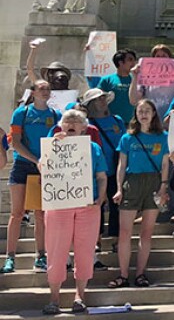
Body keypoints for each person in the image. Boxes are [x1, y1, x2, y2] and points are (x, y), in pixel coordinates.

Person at [41, 109, 108, 315]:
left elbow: (102, 176)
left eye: (76, 120)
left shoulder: (94, 148)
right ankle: (54, 298)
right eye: (67, 120)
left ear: (84, 128)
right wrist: (54, 145)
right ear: (61, 126)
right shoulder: (52, 144)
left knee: (85, 252)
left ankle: (80, 296)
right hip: (59, 205)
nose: (71, 123)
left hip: (87, 206)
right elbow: (42, 167)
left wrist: (101, 198)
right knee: (56, 251)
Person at [108, 99, 170, 288]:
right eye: (140, 111)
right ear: (135, 114)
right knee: (125, 232)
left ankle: (141, 273)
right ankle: (124, 274)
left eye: (147, 111)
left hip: (154, 182)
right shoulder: (127, 138)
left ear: (153, 114)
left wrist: (163, 186)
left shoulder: (163, 136)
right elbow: (122, 165)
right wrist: (119, 188)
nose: (143, 114)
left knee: (147, 232)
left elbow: (166, 163)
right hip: (132, 182)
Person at [2, 80, 59, 274]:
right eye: (41, 88)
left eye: (48, 89)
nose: (45, 91)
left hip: (45, 168)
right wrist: (36, 159)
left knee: (41, 214)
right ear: (33, 92)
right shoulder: (22, 113)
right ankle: (10, 258)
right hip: (23, 165)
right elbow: (15, 142)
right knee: (17, 213)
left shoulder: (55, 115)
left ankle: (40, 256)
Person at [81, 88, 126, 264]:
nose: (102, 102)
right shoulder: (86, 124)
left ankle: (115, 238)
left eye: (103, 98)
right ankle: (97, 239)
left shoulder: (117, 120)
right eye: (98, 99)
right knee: (96, 205)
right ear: (90, 104)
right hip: (94, 170)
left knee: (116, 205)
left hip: (115, 168)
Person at [129, 44, 174, 120]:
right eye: (157, 56)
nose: (161, 59)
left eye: (164, 56)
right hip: (151, 121)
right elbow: (133, 101)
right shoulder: (144, 78)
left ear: (170, 59)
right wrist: (135, 77)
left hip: (171, 121)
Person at [97, 49, 138, 124]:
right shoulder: (106, 80)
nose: (134, 63)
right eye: (130, 60)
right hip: (111, 122)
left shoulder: (136, 79)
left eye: (135, 60)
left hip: (132, 122)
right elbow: (98, 100)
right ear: (120, 62)